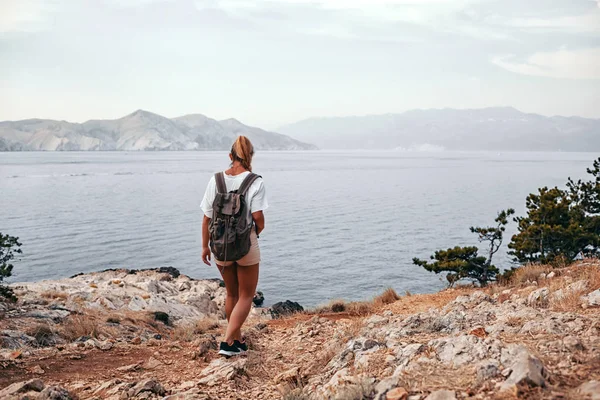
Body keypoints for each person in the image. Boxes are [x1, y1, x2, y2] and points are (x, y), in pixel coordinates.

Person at [200, 136, 268, 357]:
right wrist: (257, 230)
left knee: (231, 294)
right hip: (245, 244)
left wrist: (205, 247)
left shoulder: (216, 180)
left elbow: (206, 217)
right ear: (251, 157)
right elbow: (258, 217)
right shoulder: (255, 182)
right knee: (247, 295)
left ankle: (237, 341)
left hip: (220, 245)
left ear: (230, 156)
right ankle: (227, 341)